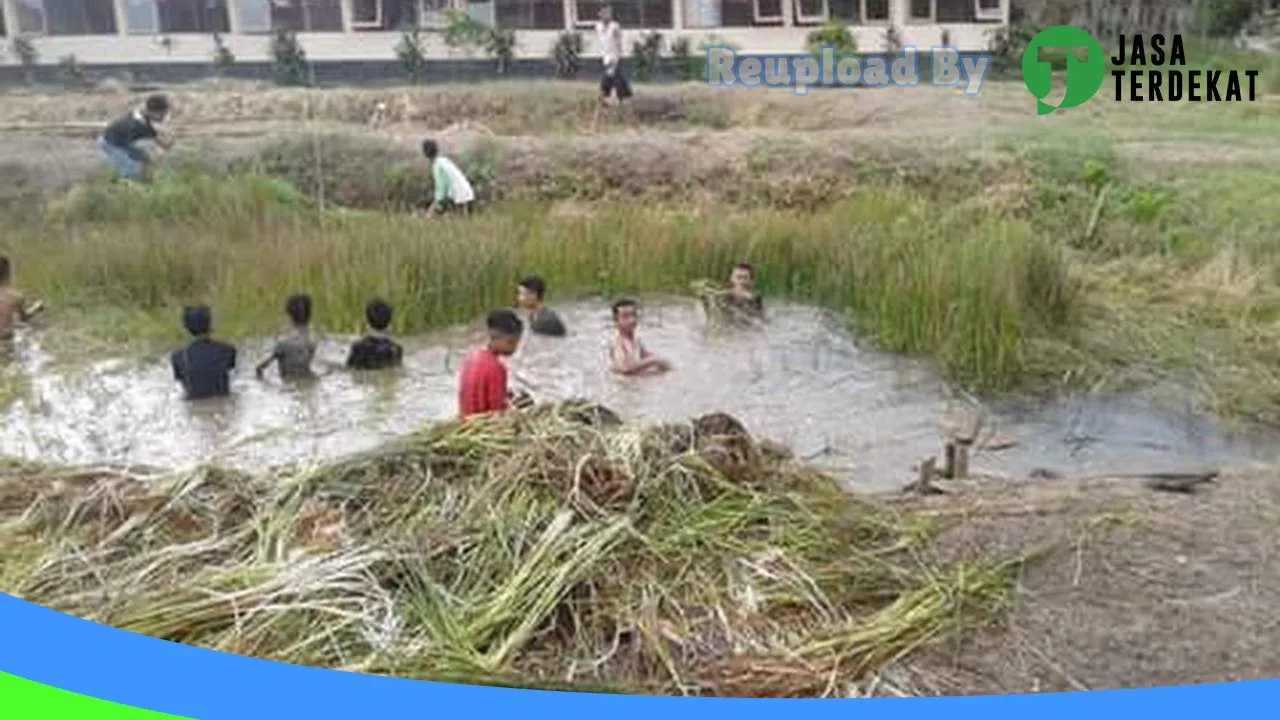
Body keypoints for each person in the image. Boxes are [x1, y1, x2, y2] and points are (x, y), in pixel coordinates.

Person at [458, 310, 524, 419]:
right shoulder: (497, 368)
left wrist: (506, 396)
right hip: (484, 424)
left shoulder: (471, 358)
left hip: (467, 420)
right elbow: (497, 412)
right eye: (511, 342)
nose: (515, 348)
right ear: (495, 337)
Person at [97, 94, 172, 182]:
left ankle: (142, 179)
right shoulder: (135, 124)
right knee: (133, 171)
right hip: (110, 144)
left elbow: (153, 135)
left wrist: (162, 144)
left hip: (122, 142)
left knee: (145, 159)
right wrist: (158, 149)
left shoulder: (142, 116)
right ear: (154, 112)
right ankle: (124, 183)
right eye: (162, 114)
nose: (164, 117)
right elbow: (147, 138)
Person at [171, 305, 237, 401]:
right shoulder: (228, 350)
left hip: (192, 404)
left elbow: (181, 382)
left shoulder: (177, 356)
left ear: (186, 327)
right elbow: (230, 368)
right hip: (223, 400)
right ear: (210, 323)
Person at [256, 293, 317, 381]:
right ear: (310, 315)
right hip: (312, 381)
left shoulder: (283, 344)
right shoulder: (312, 341)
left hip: (289, 383)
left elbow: (259, 368)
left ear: (289, 316)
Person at [591, 6, 632, 133]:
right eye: (604, 12)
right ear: (599, 14)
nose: (607, 15)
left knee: (623, 97)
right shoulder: (598, 27)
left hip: (614, 64)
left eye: (609, 13)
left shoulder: (615, 27)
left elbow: (618, 46)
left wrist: (615, 63)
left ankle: (633, 127)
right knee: (603, 96)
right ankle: (594, 128)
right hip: (606, 63)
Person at [609, 298, 671, 376]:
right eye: (625, 317)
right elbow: (623, 368)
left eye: (633, 315)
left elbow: (646, 356)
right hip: (625, 385)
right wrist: (653, 361)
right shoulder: (618, 343)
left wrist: (660, 362)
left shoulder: (636, 341)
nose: (631, 320)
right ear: (616, 321)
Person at [346, 298, 404, 371]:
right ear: (389, 325)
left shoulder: (358, 348)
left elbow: (349, 369)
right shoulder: (396, 349)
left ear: (367, 324)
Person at [422, 139, 475, 216]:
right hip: (468, 195)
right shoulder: (444, 160)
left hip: (461, 199)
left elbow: (441, 189)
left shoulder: (437, 165)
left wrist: (431, 211)